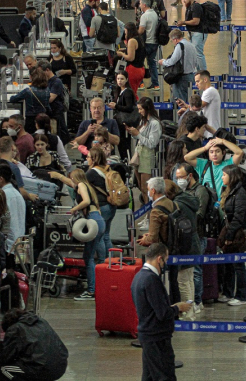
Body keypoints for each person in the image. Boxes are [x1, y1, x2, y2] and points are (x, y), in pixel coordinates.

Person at [131, 243, 192, 380]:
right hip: (157, 338)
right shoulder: (152, 280)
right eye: (166, 259)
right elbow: (162, 313)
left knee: (149, 376)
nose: (165, 264)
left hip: (147, 335)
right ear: (159, 259)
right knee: (164, 375)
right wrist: (178, 308)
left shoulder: (138, 277)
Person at [175, 162, 210, 314]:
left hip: (198, 235)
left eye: (181, 177)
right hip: (187, 237)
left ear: (189, 176)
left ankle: (197, 300)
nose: (178, 180)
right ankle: (193, 302)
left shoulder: (200, 191)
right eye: (176, 178)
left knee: (195, 271)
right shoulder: (182, 192)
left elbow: (199, 214)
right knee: (190, 274)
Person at [0, 309, 68, 381]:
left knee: (4, 369)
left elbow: (6, 357)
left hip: (41, 369)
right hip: (60, 367)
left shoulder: (15, 329)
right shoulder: (42, 321)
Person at [69, 168, 105, 301]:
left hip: (92, 221)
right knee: (98, 257)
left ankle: (91, 291)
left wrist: (74, 209)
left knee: (88, 257)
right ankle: (98, 286)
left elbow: (86, 201)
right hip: (98, 221)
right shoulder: (89, 186)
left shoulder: (81, 185)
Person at [218, 165, 246, 306]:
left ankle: (241, 295)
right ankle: (228, 292)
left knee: (238, 265)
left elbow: (238, 217)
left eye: (224, 175)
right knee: (228, 264)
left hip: (236, 233)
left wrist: (229, 236)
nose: (222, 177)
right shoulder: (228, 190)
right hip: (229, 229)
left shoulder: (240, 193)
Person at [82, 147, 116, 264]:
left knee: (99, 236)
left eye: (88, 157)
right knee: (106, 235)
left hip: (101, 207)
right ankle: (110, 262)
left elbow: (79, 185)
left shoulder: (91, 172)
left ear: (94, 159)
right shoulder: (107, 169)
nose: (87, 159)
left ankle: (102, 262)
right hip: (111, 206)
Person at [128, 97, 162, 204]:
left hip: (148, 155)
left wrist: (138, 135)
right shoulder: (143, 121)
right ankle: (146, 208)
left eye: (141, 109)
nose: (139, 111)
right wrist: (134, 133)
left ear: (147, 109)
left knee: (146, 186)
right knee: (140, 185)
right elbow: (140, 137)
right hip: (139, 153)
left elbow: (152, 143)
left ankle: (149, 210)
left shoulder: (154, 124)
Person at [0, 163, 26, 253]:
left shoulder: (3, 195)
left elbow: (8, 221)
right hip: (19, 241)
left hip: (9, 244)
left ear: (1, 179)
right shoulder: (17, 194)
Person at [176, 70, 221, 138]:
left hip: (210, 133)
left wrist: (186, 107)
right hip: (209, 132)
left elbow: (196, 108)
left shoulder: (209, 91)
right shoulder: (208, 91)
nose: (196, 84)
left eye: (198, 81)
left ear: (205, 79)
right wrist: (185, 106)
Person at [158, 29, 198, 104]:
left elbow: (172, 60)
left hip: (182, 77)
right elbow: (196, 61)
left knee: (180, 101)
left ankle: (180, 115)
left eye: (172, 41)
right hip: (191, 75)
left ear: (175, 39)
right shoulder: (191, 45)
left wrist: (163, 62)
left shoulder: (180, 46)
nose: (172, 43)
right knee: (187, 100)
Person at [36, 62, 70, 144]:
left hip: (56, 113)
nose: (39, 75)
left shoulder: (56, 82)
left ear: (47, 70)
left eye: (41, 72)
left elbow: (50, 99)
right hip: (49, 113)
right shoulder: (45, 81)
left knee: (59, 136)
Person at [10, 71, 50, 135]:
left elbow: (13, 99)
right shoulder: (47, 90)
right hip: (43, 117)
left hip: (31, 119)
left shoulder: (28, 91)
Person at [177, 0, 208, 71]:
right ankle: (197, 71)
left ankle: (203, 73)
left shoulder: (196, 7)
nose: (183, 1)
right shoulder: (189, 7)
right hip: (193, 33)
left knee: (198, 54)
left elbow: (196, 21)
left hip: (198, 33)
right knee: (193, 53)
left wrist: (183, 22)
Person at [108, 71, 136, 158]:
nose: (119, 81)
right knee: (121, 142)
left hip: (124, 121)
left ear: (126, 80)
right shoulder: (119, 91)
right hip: (119, 121)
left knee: (124, 142)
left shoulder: (127, 92)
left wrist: (116, 106)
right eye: (118, 79)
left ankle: (126, 159)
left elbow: (129, 107)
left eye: (122, 79)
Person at [137, 0, 160, 90]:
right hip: (154, 42)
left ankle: (141, 84)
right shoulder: (154, 13)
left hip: (146, 43)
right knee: (152, 64)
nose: (139, 5)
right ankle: (156, 84)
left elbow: (141, 30)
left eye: (140, 3)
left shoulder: (145, 16)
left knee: (139, 62)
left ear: (144, 5)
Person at [117, 22, 147, 93]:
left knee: (130, 92)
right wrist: (126, 50)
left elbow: (130, 58)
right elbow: (137, 50)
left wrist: (121, 54)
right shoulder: (139, 38)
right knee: (134, 91)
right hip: (141, 69)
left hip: (133, 69)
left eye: (125, 31)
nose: (125, 33)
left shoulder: (131, 41)